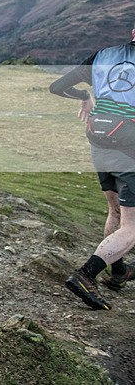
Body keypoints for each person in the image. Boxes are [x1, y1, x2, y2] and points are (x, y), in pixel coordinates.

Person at [50, 25, 135, 310]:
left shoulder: (103, 55)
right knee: (132, 226)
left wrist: (84, 96)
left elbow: (57, 87)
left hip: (99, 138)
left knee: (114, 211)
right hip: (129, 144)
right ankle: (86, 275)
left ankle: (119, 270)